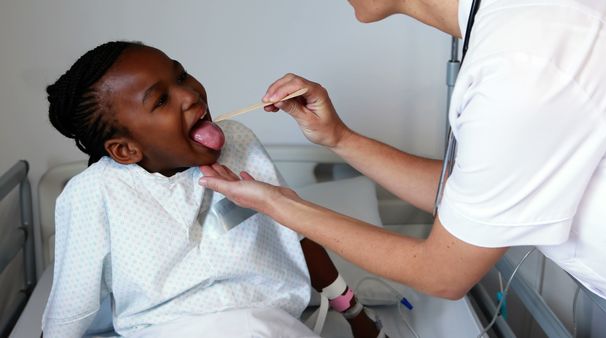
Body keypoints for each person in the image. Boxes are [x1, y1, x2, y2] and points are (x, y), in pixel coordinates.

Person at [198, 0, 606, 320]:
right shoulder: (522, 28)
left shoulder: (523, 62)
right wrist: (339, 138)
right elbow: (469, 199)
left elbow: (443, 274)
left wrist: (277, 204)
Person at [42, 41, 383, 337]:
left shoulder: (238, 142)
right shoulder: (94, 192)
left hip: (268, 324)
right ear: (126, 150)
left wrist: (355, 314)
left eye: (180, 76)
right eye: (161, 101)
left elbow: (295, 232)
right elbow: (72, 302)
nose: (190, 95)